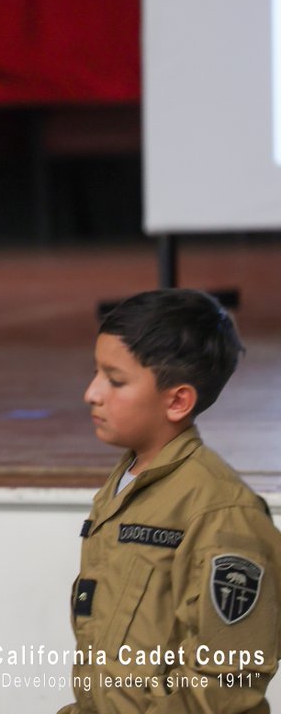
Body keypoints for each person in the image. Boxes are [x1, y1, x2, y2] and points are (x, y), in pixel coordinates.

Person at [61, 289, 281, 713]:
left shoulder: (221, 513)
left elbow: (223, 684)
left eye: (115, 380)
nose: (91, 393)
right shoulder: (124, 486)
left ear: (178, 400)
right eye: (96, 373)